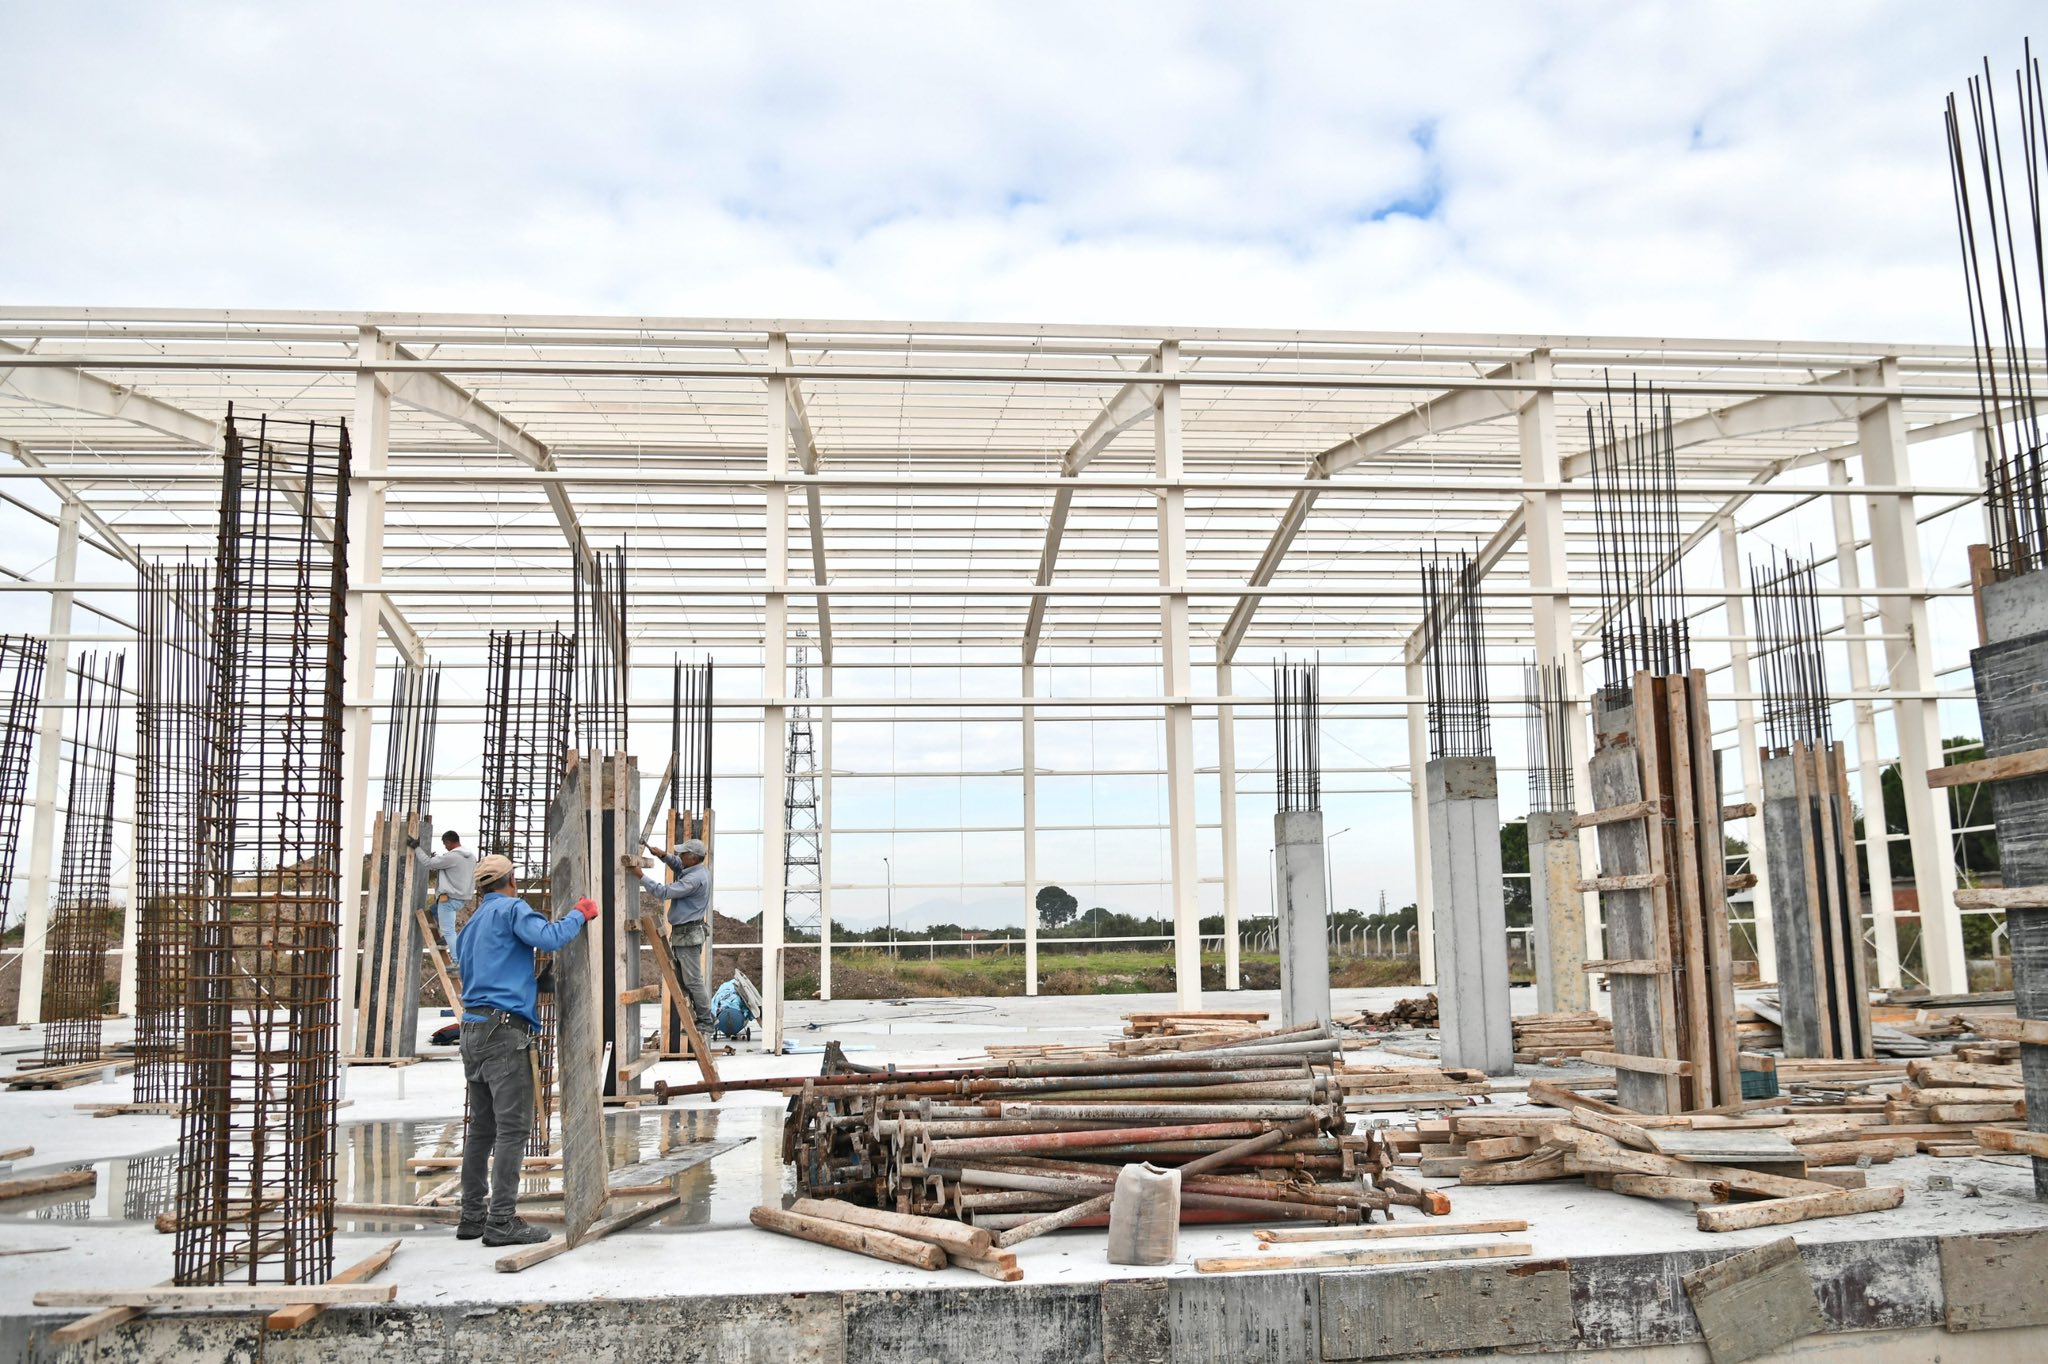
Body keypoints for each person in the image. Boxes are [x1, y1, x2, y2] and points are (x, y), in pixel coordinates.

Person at [453, 852, 598, 1247]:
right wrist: (579, 914)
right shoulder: (512, 909)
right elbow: (549, 937)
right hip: (503, 1032)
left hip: (473, 1029)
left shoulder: (469, 926)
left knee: (482, 1129)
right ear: (510, 881)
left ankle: (472, 1217)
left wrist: (531, 983)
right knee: (514, 1130)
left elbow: (486, 971)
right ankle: (501, 1221)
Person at [628, 838, 715, 1035]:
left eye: (683, 854)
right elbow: (679, 866)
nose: (680, 857)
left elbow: (664, 891)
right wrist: (663, 856)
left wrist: (640, 876)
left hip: (688, 934)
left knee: (692, 981)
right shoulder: (698, 870)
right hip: (686, 932)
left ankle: (706, 1020)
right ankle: (704, 1016)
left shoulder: (694, 879)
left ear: (693, 858)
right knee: (686, 979)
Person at [410, 825, 478, 948]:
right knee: (433, 910)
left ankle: (457, 961)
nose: (445, 847)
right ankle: (445, 939)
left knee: (449, 932)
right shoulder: (471, 857)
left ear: (448, 841)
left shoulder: (452, 857)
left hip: (448, 899)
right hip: (461, 898)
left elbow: (428, 862)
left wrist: (416, 847)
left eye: (445, 844)